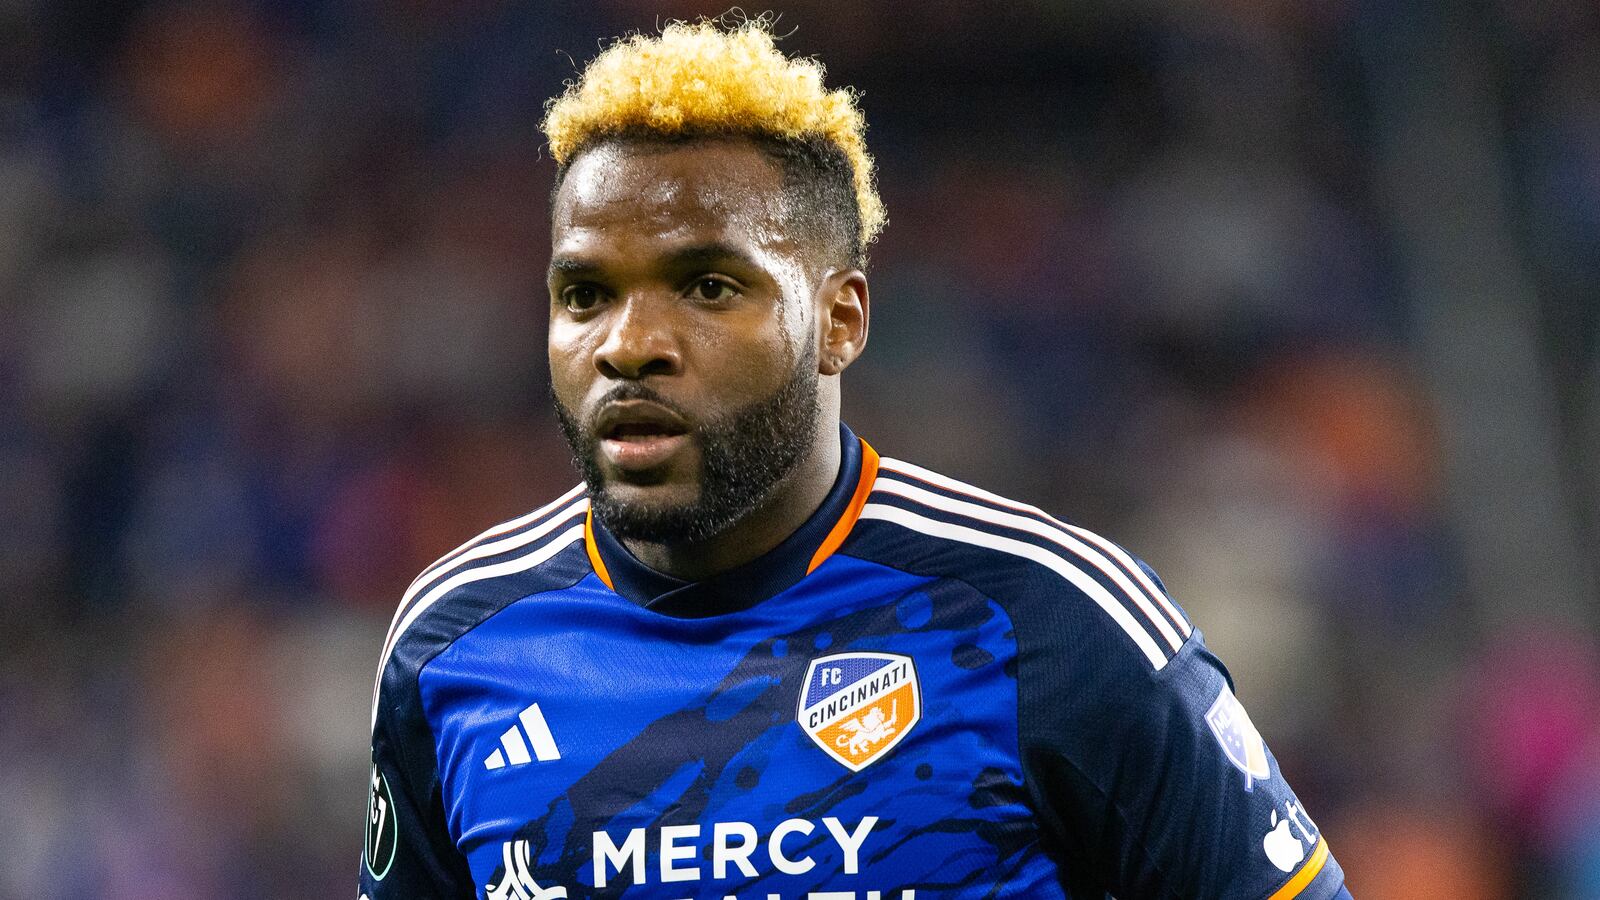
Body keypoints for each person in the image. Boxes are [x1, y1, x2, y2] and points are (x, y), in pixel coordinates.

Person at [361, 18, 1351, 900]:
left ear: (838, 321)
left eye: (706, 286)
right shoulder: (455, 644)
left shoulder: (1047, 618)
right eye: (584, 295)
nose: (629, 342)